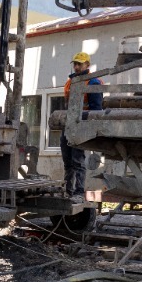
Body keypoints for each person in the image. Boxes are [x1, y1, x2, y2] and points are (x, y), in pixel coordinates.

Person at [60, 51, 103, 198]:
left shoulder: (93, 83)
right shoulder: (70, 82)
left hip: (81, 126)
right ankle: (68, 190)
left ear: (87, 65)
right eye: (75, 64)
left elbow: (96, 110)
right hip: (68, 126)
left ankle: (78, 191)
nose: (77, 67)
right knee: (67, 161)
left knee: (77, 161)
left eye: (80, 64)